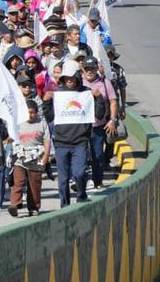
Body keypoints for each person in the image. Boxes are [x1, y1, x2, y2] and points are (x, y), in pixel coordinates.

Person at [43, 59, 93, 205]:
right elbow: (50, 117)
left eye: (73, 77)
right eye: (67, 78)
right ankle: (64, 205)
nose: (70, 81)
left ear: (78, 77)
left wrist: (99, 98)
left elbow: (99, 113)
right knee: (63, 179)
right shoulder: (58, 94)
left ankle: (81, 195)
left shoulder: (86, 93)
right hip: (61, 142)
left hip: (80, 142)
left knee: (80, 172)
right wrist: (46, 102)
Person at [8, 100, 51, 217]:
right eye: (27, 112)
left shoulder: (42, 123)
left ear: (37, 113)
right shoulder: (18, 123)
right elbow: (11, 137)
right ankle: (14, 204)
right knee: (18, 181)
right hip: (20, 158)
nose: (29, 115)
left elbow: (47, 141)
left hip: (36, 159)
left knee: (34, 185)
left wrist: (46, 156)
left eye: (32, 113)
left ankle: (33, 207)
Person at [82, 57, 118, 190]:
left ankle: (97, 181)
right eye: (86, 69)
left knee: (97, 155)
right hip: (81, 127)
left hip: (98, 127)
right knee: (81, 155)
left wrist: (112, 120)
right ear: (82, 69)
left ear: (97, 69)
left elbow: (113, 101)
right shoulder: (78, 81)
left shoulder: (104, 82)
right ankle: (80, 181)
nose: (89, 71)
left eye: (92, 68)